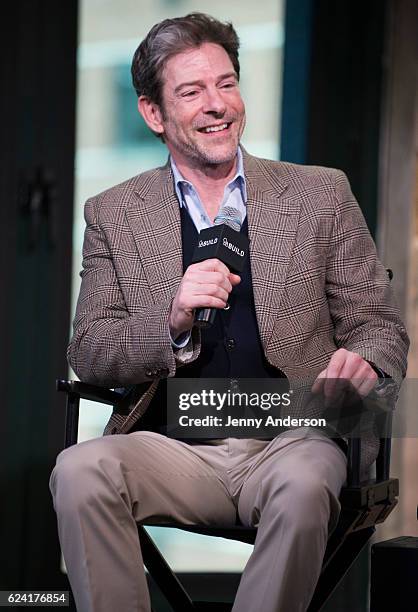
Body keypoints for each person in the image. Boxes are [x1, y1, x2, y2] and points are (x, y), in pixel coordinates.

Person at [50, 12, 409, 612]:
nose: (217, 104)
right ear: (153, 114)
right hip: (178, 445)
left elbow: (379, 324)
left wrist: (364, 364)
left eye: (226, 83)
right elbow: (89, 350)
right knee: (81, 471)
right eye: (192, 91)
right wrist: (171, 320)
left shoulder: (319, 193)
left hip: (298, 435)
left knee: (303, 487)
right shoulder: (115, 213)